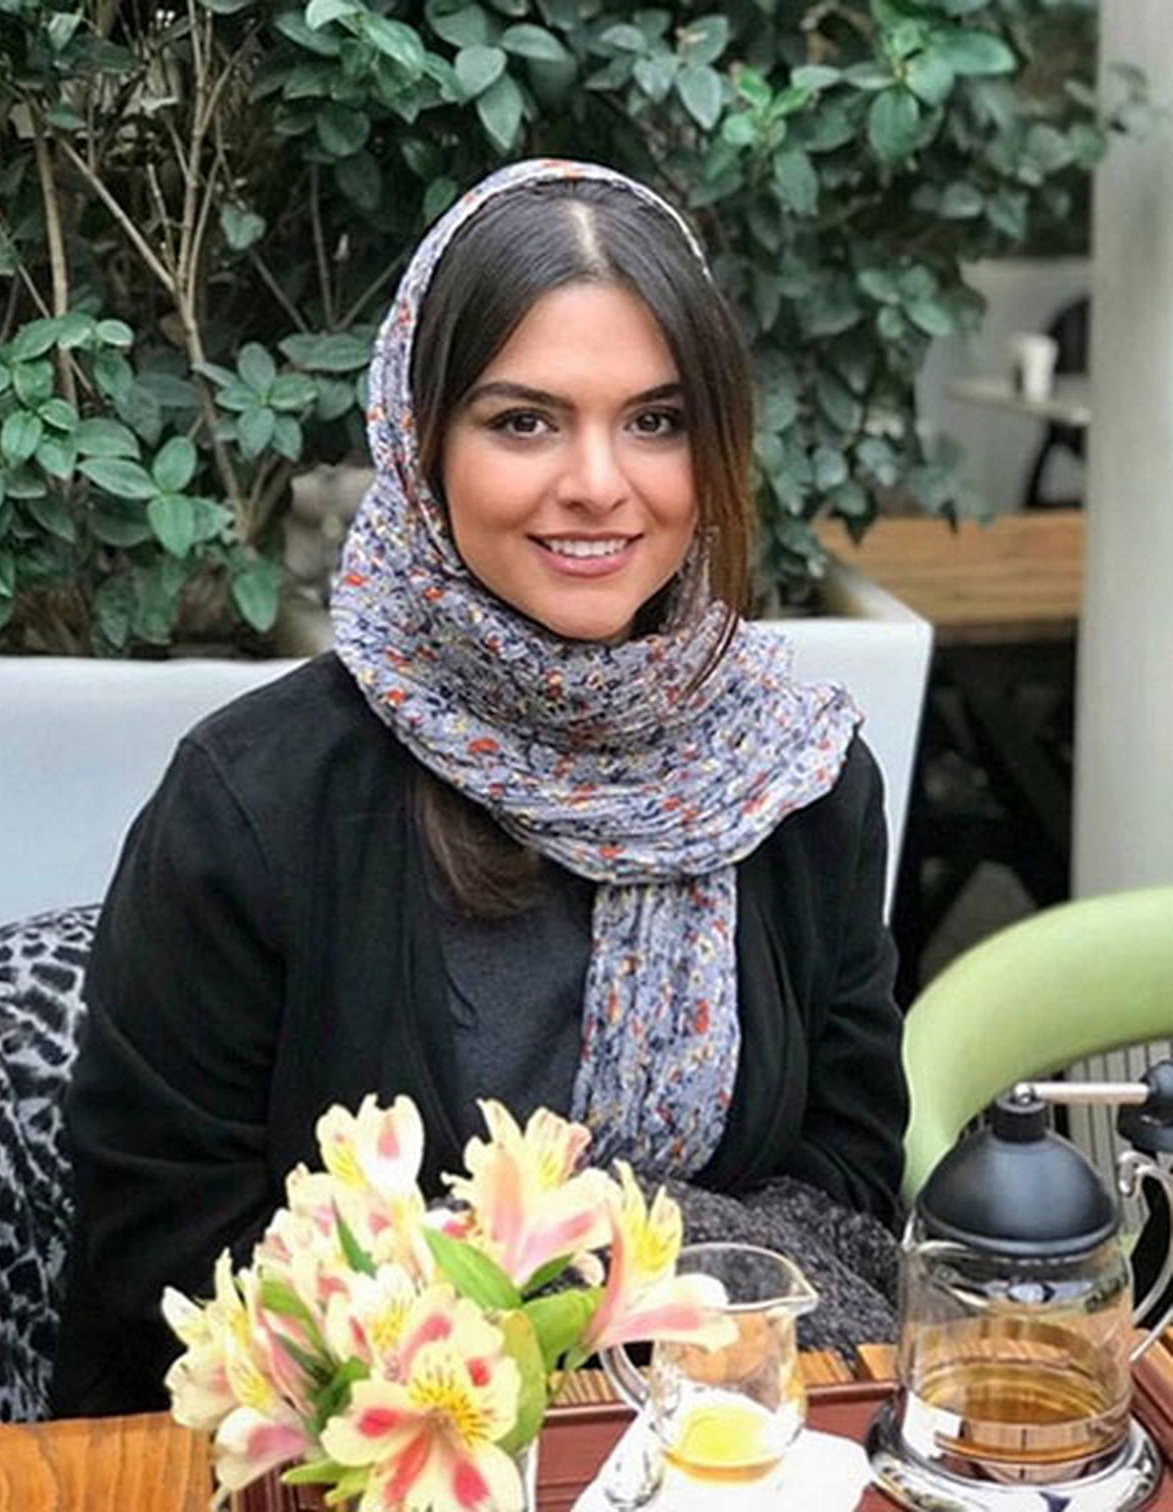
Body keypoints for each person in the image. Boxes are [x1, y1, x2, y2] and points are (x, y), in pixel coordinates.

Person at [52, 159, 908, 1417]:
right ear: (420, 444)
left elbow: (852, 1191)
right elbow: (163, 1263)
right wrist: (567, 1305)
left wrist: (586, 1290)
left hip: (714, 1451)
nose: (599, 483)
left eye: (656, 422)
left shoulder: (797, 780)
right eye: (523, 422)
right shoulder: (254, 803)